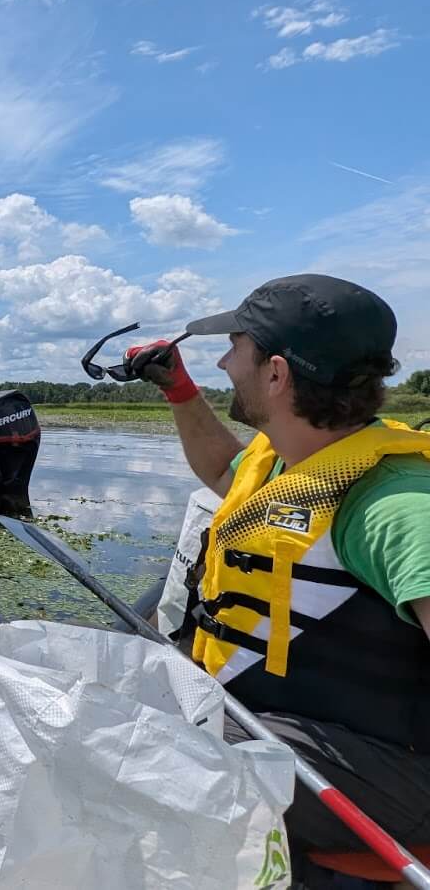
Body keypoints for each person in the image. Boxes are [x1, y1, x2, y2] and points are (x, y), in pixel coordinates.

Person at [126, 274, 430, 881]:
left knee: (140, 752)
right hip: (282, 725)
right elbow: (223, 472)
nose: (222, 363)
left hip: (386, 767)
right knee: (119, 699)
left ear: (276, 374)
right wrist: (179, 389)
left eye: (235, 347)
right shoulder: (291, 461)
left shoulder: (396, 508)